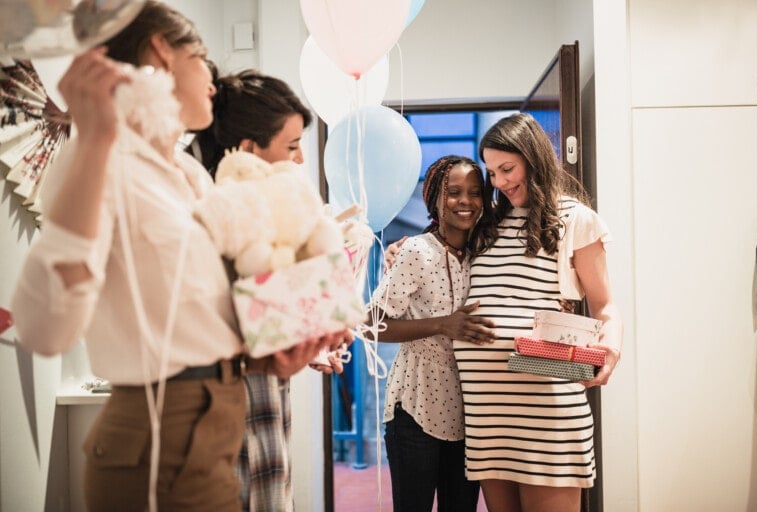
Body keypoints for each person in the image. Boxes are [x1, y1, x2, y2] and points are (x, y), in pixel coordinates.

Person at [9, 2, 343, 510]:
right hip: (158, 439)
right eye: (201, 55)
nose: (213, 78)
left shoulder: (184, 175)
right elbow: (43, 328)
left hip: (215, 423)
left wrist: (267, 355)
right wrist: (97, 138)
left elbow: (191, 317)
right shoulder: (101, 160)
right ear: (162, 53)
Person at [386, 113, 622, 512]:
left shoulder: (575, 220)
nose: (500, 182)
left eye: (507, 169)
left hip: (546, 415)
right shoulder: (489, 224)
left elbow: (605, 306)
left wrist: (611, 348)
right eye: (492, 173)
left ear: (533, 158)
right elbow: (446, 242)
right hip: (487, 421)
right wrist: (405, 247)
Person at [190, 69, 340, 512]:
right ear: (250, 150)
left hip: (265, 398)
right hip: (222, 402)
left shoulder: (270, 213)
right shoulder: (212, 216)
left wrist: (308, 334)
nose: (298, 162)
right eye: (291, 147)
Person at [368, 155, 497, 512]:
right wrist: (443, 324)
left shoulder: (487, 252)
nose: (465, 201)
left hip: (472, 411)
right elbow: (371, 324)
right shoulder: (415, 251)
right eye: (454, 192)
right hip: (415, 409)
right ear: (434, 199)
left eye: (475, 193)